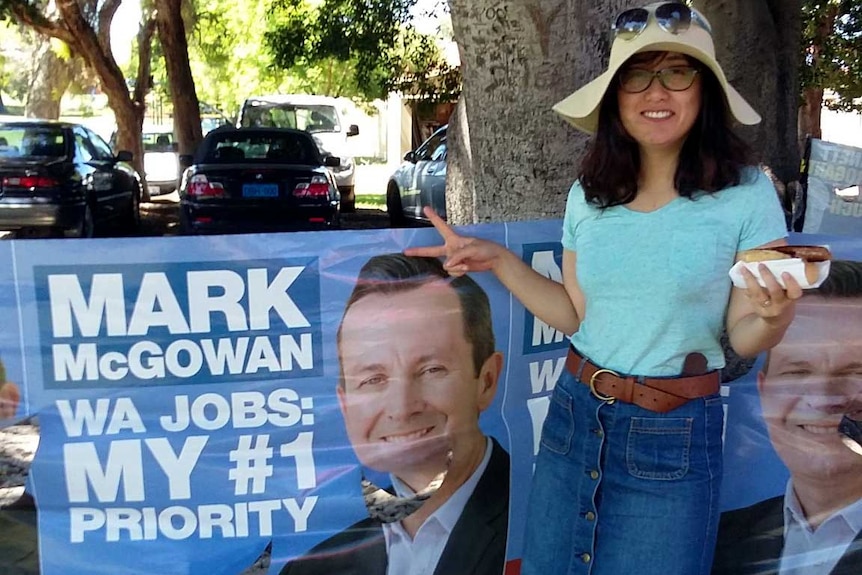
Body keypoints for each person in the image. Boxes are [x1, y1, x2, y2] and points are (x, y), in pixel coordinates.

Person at [406, 3, 799, 574]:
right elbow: (576, 317)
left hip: (673, 434)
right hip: (574, 417)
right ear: (615, 96)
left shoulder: (746, 195)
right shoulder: (589, 194)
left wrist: (774, 316)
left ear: (705, 89)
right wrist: (496, 260)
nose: (655, 90)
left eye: (677, 71)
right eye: (637, 74)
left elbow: (740, 335)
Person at [280, 253, 510, 575]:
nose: (402, 408)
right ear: (345, 406)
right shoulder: (313, 569)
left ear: (486, 381)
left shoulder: (554, 520)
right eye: (373, 379)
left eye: (431, 370)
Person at [712, 260, 862, 575]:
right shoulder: (717, 541)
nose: (822, 397)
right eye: (797, 371)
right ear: (764, 392)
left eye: (857, 373)